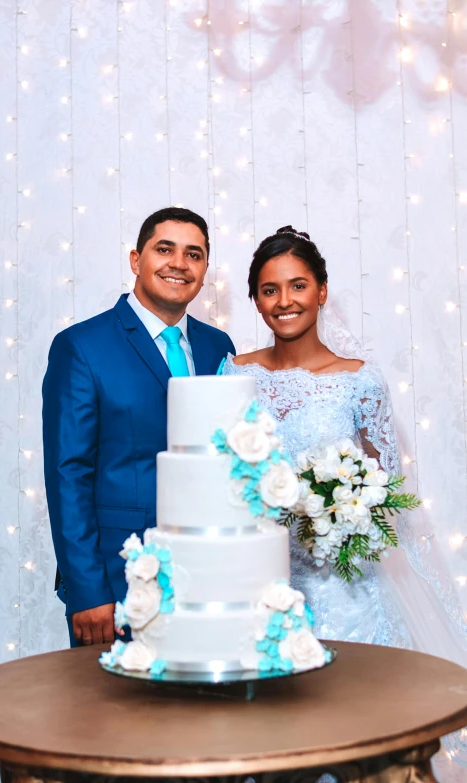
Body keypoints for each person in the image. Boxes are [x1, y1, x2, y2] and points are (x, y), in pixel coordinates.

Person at [222, 226, 467, 664]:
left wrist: (343, 511)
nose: (284, 301)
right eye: (269, 290)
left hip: (343, 584)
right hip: (257, 581)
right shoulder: (234, 375)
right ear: (256, 301)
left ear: (321, 292)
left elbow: (387, 492)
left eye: (299, 285)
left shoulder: (360, 380)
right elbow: (221, 474)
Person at [43, 207, 235, 648]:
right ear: (136, 260)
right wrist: (88, 590)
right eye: (164, 249)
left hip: (209, 577)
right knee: (117, 715)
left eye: (194, 254)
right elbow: (67, 475)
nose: (178, 264)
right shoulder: (82, 347)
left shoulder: (217, 347)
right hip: (117, 580)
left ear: (205, 269)